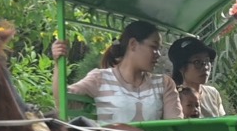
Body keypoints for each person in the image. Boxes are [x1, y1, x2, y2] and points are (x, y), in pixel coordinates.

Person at [51, 20, 182, 124]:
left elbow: (175, 126)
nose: (158, 54)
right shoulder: (100, 78)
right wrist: (58, 62)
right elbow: (63, 101)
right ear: (133, 44)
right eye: (154, 47)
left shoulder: (164, 84)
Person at [168, 36, 226, 118]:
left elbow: (224, 125)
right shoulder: (173, 97)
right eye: (197, 62)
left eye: (207, 61)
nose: (205, 67)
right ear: (181, 67)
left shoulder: (212, 93)